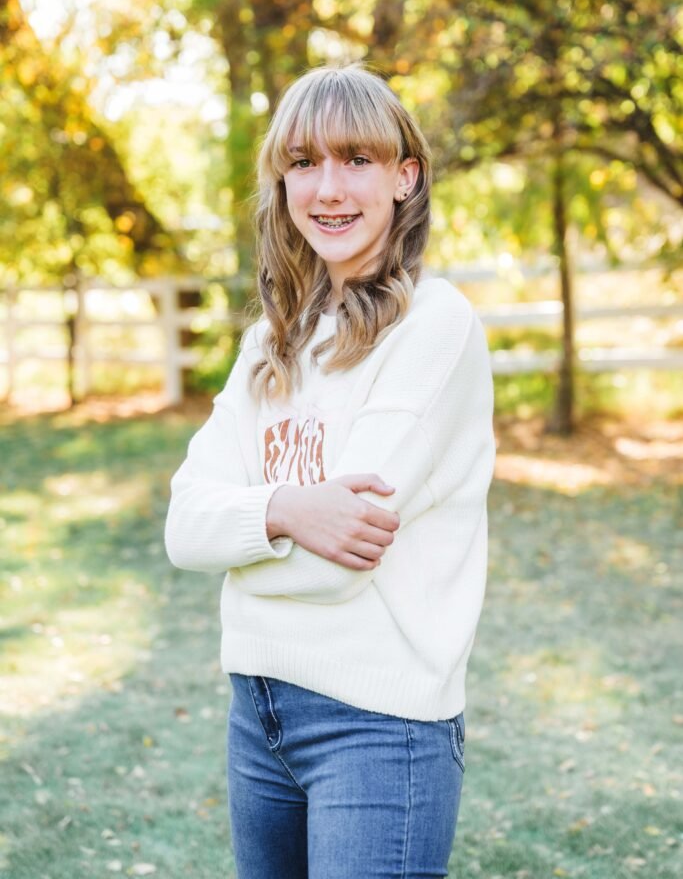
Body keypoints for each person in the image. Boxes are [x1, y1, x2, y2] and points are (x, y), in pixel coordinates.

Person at [164, 63, 496, 879]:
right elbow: (182, 528)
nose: (328, 187)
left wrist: (246, 531)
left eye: (355, 158)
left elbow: (342, 557)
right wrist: (284, 509)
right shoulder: (269, 343)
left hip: (379, 727)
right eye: (303, 162)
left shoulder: (435, 324)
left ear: (403, 177)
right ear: (281, 183)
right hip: (258, 713)